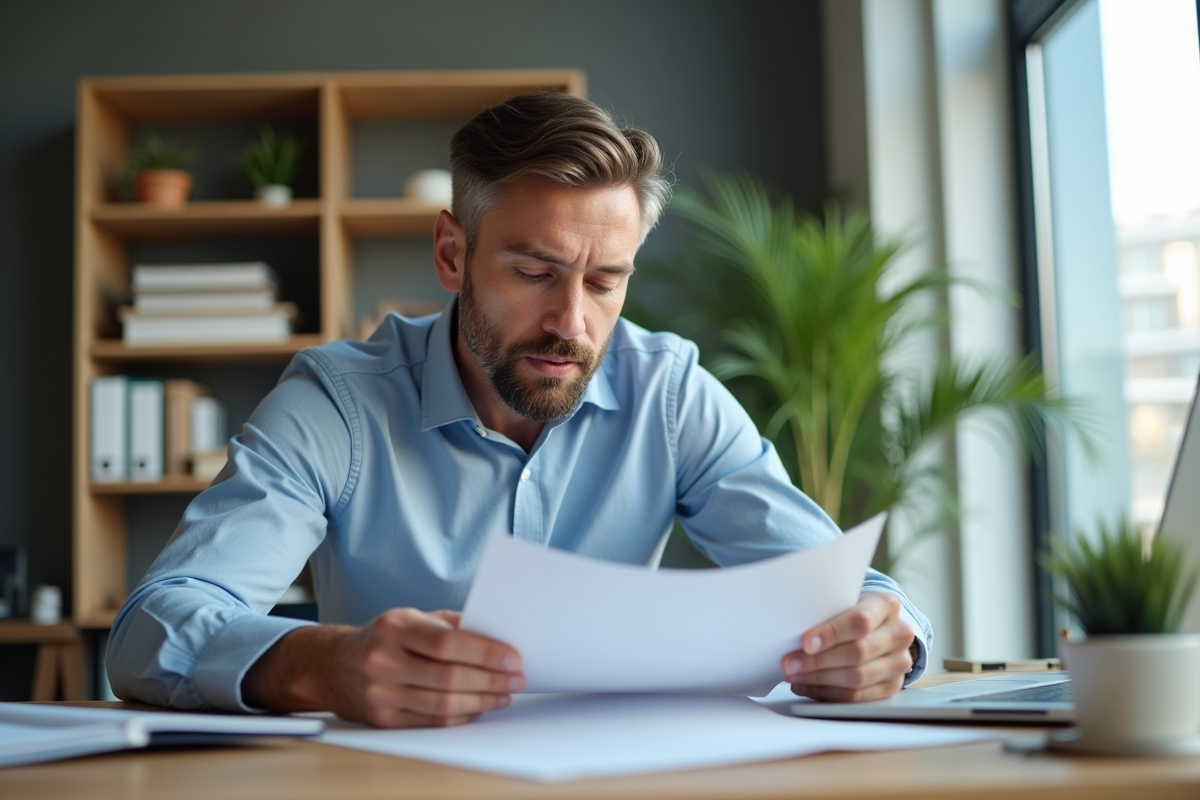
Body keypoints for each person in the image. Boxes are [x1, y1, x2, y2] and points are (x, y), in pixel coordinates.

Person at [107, 92, 931, 728]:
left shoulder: (671, 395)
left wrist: (885, 638)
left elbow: (849, 590)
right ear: (451, 253)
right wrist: (323, 666)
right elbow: (151, 629)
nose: (573, 323)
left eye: (606, 280)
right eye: (535, 272)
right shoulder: (337, 404)